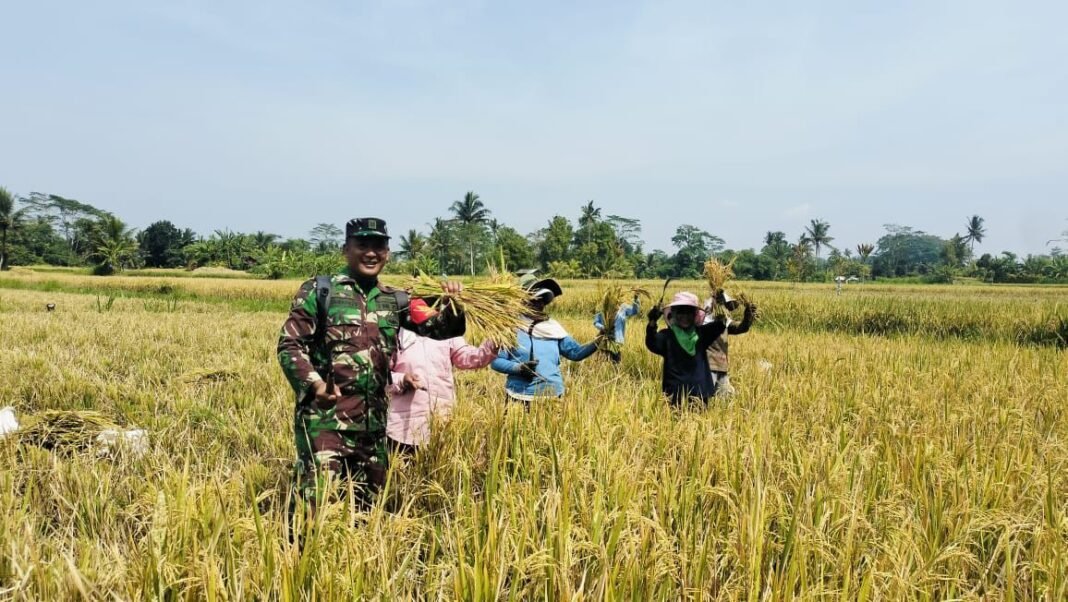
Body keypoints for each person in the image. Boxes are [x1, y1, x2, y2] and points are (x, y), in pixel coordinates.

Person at [277, 217, 466, 511]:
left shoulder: (398, 300)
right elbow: (290, 345)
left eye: (378, 246)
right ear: (346, 249)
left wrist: (454, 303)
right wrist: (314, 384)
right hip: (326, 426)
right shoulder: (320, 291)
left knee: (371, 514)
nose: (370, 252)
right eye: (362, 244)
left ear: (387, 253)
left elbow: (441, 330)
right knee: (314, 514)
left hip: (374, 429)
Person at [386, 304, 498, 454]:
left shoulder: (445, 332)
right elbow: (381, 376)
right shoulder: (396, 335)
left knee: (439, 471)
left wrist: (495, 340)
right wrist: (403, 379)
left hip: (442, 420)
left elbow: (470, 358)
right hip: (405, 425)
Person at [491, 274, 602, 403]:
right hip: (520, 396)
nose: (539, 304)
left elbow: (576, 353)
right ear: (522, 302)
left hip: (553, 396)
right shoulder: (511, 327)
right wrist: (518, 368)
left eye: (542, 300)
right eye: (534, 300)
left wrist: (600, 338)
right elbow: (496, 361)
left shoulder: (553, 328)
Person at [645, 292, 726, 405]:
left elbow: (721, 324)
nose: (685, 317)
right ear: (673, 314)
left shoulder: (702, 334)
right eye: (680, 312)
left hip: (700, 396)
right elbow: (651, 343)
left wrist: (720, 304)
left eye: (689, 312)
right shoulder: (667, 336)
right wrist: (652, 321)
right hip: (675, 396)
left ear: (695, 315)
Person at [702, 289, 757, 397]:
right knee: (704, 397)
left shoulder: (724, 322)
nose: (727, 309)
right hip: (707, 367)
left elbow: (741, 328)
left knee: (726, 397)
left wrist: (748, 315)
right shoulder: (702, 321)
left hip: (721, 367)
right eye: (725, 306)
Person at [592, 294, 641, 363]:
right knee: (601, 361)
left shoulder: (623, 307)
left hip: (617, 339)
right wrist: (603, 327)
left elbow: (634, 311)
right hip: (604, 338)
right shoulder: (602, 308)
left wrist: (636, 299)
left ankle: (616, 373)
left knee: (616, 361)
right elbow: (596, 322)